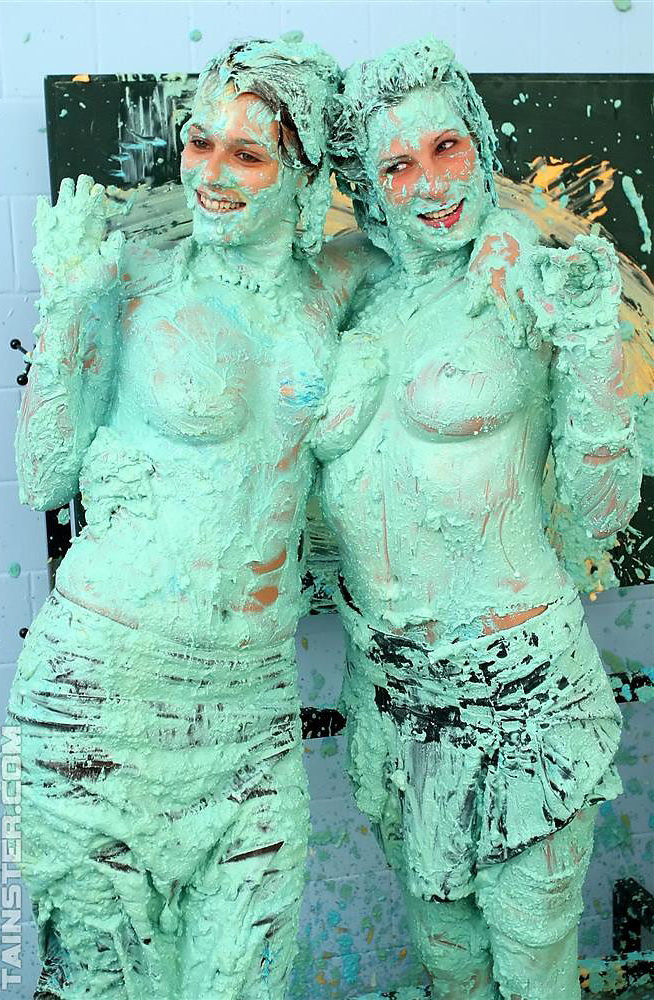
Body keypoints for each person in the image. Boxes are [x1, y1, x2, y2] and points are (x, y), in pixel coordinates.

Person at [6, 35, 385, 1000]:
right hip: (104, 695)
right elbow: (43, 476)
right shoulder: (131, 275)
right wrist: (67, 306)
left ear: (305, 179)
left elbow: (441, 231)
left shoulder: (339, 285)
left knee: (245, 979)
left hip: (252, 709)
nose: (211, 173)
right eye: (199, 142)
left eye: (247, 154)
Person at [313, 36, 642, 1000]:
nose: (430, 185)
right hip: (392, 692)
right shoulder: (352, 290)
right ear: (368, 187)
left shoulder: (528, 277)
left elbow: (602, 513)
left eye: (447, 147)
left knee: (532, 963)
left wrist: (590, 343)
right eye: (397, 165)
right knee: (447, 960)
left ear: (481, 144)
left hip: (520, 685)